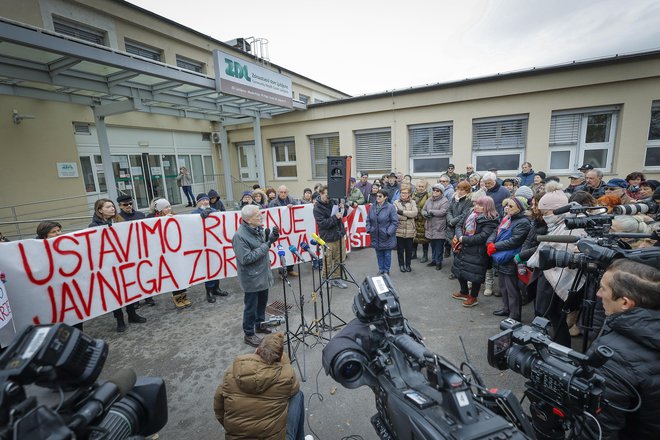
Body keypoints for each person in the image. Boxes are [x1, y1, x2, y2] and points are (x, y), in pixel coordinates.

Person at [585, 260, 660, 440]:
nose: (597, 293)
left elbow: (597, 431)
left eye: (603, 289)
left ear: (625, 303)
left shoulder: (610, 357)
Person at [525, 182, 586, 347]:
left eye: (547, 212)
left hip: (558, 281)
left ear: (558, 209)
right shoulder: (558, 224)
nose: (545, 216)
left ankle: (560, 350)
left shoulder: (573, 226)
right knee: (549, 316)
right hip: (546, 278)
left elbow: (569, 254)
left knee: (556, 318)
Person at [213, 332, 305, 440]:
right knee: (298, 396)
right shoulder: (286, 374)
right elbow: (294, 390)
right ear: (280, 358)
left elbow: (218, 408)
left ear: (257, 350)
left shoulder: (232, 371)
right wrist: (285, 362)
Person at [89, 199, 146, 332]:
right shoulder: (93, 226)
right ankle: (119, 319)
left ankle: (132, 314)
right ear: (100, 210)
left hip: (124, 262)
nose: (112, 208)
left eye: (112, 206)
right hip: (109, 265)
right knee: (115, 293)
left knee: (128, 289)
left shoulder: (119, 220)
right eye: (108, 207)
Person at [232, 205, 278, 347]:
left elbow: (259, 246)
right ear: (248, 220)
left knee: (262, 303)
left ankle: (260, 324)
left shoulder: (256, 229)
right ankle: (249, 334)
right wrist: (268, 243)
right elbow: (246, 258)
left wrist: (269, 237)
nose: (261, 217)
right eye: (258, 216)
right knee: (251, 307)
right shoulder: (239, 236)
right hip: (251, 278)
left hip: (262, 274)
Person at [487, 196, 531, 321]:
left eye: (511, 206)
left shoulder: (523, 222)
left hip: (510, 259)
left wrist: (495, 246)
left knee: (512, 289)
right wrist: (490, 242)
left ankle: (514, 315)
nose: (507, 208)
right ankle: (506, 308)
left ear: (520, 208)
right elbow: (496, 231)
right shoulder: (507, 218)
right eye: (506, 205)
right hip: (502, 258)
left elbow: (515, 241)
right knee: (503, 287)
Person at [450, 196, 499, 307]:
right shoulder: (470, 212)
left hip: (478, 251)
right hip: (463, 247)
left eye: (480, 205)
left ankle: (473, 297)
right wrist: (460, 237)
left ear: (487, 207)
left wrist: (464, 239)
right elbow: (458, 225)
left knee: (475, 274)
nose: (476, 206)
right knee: (459, 270)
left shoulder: (491, 219)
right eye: (476, 203)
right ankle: (464, 292)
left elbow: (482, 237)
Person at [150, 199, 191, 309]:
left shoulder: (175, 217)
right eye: (166, 207)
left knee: (181, 273)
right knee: (173, 275)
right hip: (166, 253)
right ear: (159, 209)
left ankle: (184, 295)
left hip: (177, 251)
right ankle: (177, 297)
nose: (169, 209)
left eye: (169, 206)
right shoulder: (154, 220)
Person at [116, 195, 155, 307]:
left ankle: (148, 297)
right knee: (132, 276)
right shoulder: (117, 218)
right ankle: (135, 300)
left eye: (130, 204)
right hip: (127, 252)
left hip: (142, 249)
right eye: (125, 204)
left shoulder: (140, 215)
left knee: (145, 274)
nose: (128, 206)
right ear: (120, 206)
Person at [192, 193, 229, 302]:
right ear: (198, 202)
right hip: (203, 246)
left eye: (207, 200)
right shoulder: (194, 214)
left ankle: (216, 288)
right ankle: (209, 291)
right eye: (203, 200)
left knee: (217, 266)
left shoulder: (214, 211)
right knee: (208, 269)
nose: (205, 202)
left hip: (215, 244)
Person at [313, 185, 348, 289]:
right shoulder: (317, 208)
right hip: (327, 238)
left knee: (340, 259)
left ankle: (337, 278)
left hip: (339, 235)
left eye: (330, 195)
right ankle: (326, 278)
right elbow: (323, 224)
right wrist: (335, 217)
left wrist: (343, 209)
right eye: (327, 195)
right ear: (321, 193)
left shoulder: (333, 201)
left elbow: (343, 215)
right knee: (327, 260)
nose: (329, 198)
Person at [366, 189, 398, 275]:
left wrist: (388, 232)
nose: (378, 198)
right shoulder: (372, 206)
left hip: (386, 236)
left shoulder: (390, 207)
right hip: (375, 235)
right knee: (379, 254)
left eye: (380, 196)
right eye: (377, 196)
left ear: (385, 197)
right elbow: (368, 219)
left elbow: (394, 222)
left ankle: (386, 270)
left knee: (387, 254)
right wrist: (369, 229)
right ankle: (381, 269)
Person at [268, 185, 299, 277]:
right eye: (281, 192)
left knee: (290, 248)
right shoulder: (273, 203)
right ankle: (282, 272)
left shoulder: (292, 200)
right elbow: (271, 215)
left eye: (285, 192)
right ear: (278, 192)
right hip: (279, 229)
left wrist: (293, 207)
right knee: (280, 249)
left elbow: (299, 209)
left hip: (290, 229)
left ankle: (290, 269)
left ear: (287, 193)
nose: (283, 194)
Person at [422, 184, 450, 270]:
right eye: (434, 190)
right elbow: (423, 209)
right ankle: (434, 260)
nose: (435, 192)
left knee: (439, 246)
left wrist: (430, 211)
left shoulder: (445, 201)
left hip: (439, 227)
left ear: (441, 192)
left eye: (437, 190)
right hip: (430, 226)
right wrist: (425, 214)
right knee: (433, 245)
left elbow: (443, 212)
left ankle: (439, 262)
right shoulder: (429, 199)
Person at [446, 181, 473, 268]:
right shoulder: (454, 198)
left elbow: (465, 214)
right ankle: (456, 267)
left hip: (460, 227)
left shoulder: (469, 200)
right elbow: (449, 210)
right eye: (458, 189)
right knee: (454, 248)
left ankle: (458, 269)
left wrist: (452, 221)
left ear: (467, 191)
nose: (460, 191)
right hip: (451, 226)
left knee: (459, 249)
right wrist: (450, 220)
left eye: (463, 190)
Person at [393, 184, 418, 272]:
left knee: (409, 250)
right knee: (400, 250)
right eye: (402, 193)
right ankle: (401, 265)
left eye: (405, 193)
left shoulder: (413, 202)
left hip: (410, 230)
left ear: (409, 194)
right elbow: (395, 216)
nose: (403, 194)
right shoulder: (396, 202)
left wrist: (401, 212)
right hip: (399, 229)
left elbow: (414, 213)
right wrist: (407, 216)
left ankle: (408, 265)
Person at [412, 180, 430, 263]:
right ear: (416, 187)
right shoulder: (413, 195)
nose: (420, 188)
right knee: (414, 237)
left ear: (425, 187)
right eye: (419, 186)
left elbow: (429, 208)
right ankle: (413, 253)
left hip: (423, 220)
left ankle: (425, 255)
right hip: (415, 220)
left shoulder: (428, 196)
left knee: (424, 239)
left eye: (422, 186)